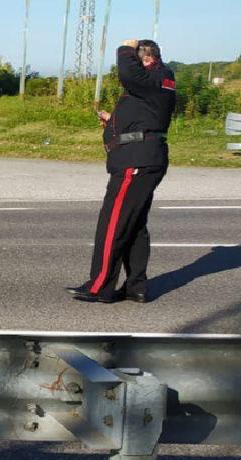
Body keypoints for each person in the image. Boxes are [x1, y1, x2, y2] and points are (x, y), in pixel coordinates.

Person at [69, 39, 176, 304]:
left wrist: (126, 48)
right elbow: (143, 115)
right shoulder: (156, 84)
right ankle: (136, 286)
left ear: (147, 60)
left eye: (138, 59)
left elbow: (129, 73)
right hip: (142, 157)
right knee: (135, 224)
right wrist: (112, 120)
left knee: (113, 223)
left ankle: (100, 285)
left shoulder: (158, 76)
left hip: (136, 161)